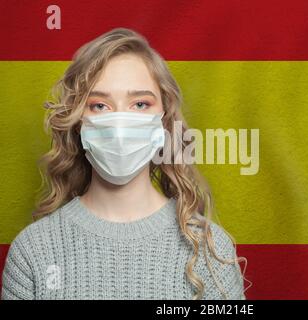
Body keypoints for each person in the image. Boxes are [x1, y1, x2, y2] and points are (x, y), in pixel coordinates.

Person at [1, 28, 248, 300]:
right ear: (78, 122)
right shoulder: (33, 250)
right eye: (100, 105)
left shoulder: (210, 251)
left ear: (163, 120)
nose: (119, 125)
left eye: (140, 104)